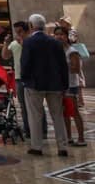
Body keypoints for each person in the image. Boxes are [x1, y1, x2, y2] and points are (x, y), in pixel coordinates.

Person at [19, 14, 70, 157]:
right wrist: (64, 84)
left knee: (35, 115)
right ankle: (62, 147)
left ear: (30, 26)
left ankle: (37, 146)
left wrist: (24, 80)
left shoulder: (28, 42)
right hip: (55, 84)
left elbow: (25, 63)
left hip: (34, 84)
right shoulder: (55, 42)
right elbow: (63, 65)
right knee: (58, 116)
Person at [55, 23, 87, 146]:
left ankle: (81, 138)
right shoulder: (57, 51)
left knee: (73, 111)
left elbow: (76, 69)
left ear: (66, 36)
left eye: (61, 34)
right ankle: (68, 137)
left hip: (71, 84)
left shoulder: (72, 51)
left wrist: (62, 67)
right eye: (56, 34)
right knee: (64, 112)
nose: (58, 37)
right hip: (60, 84)